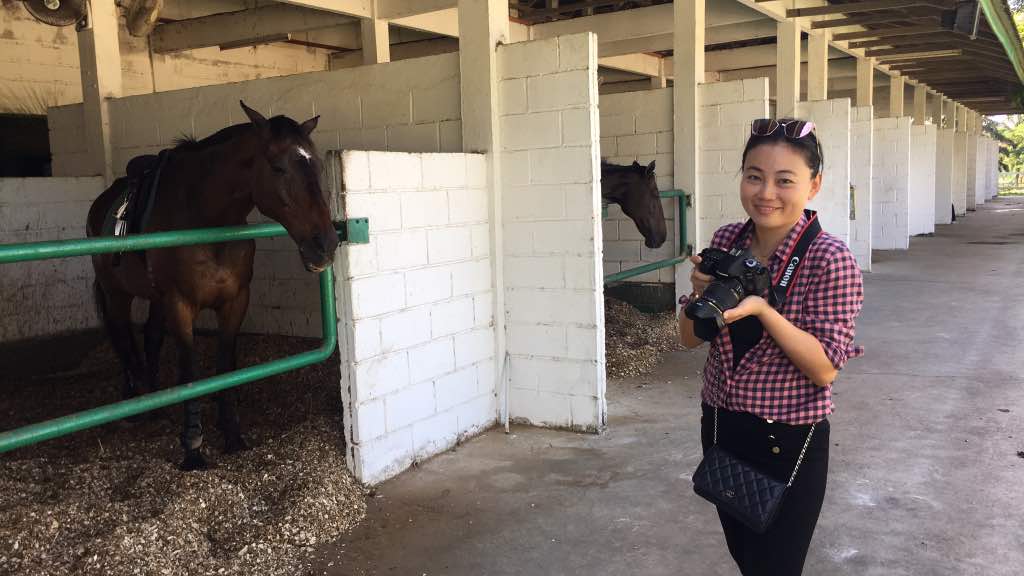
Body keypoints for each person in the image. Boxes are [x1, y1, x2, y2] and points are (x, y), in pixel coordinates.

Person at [677, 118, 865, 575]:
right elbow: (686, 340)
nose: (766, 193)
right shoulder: (726, 241)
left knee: (776, 567)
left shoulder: (828, 259)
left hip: (787, 439)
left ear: (814, 185)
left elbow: (824, 370)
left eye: (785, 180)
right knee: (746, 557)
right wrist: (699, 292)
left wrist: (764, 310)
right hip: (721, 425)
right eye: (754, 176)